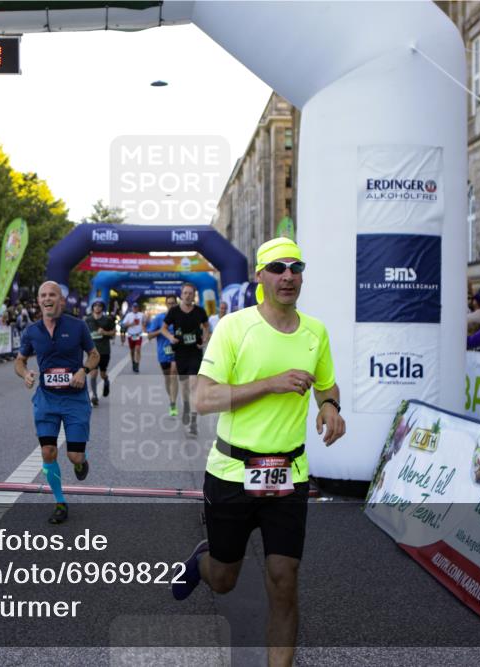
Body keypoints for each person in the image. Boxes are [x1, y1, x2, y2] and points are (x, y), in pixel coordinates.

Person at [171, 237, 345, 667]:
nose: (288, 276)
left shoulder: (315, 332)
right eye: (278, 268)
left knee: (285, 579)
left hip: (290, 474)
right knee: (224, 579)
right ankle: (204, 561)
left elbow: (326, 385)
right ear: (260, 276)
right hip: (232, 472)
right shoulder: (235, 327)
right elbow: (203, 399)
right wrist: (270, 384)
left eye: (296, 268)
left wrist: (330, 407)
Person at [14, 281, 99, 524]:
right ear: (38, 301)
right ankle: (60, 502)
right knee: (48, 451)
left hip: (74, 399)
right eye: (43, 295)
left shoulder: (78, 326)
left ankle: (81, 462)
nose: (47, 298)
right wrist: (25, 374)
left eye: (52, 295)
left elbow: (94, 355)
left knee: (74, 456)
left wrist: (83, 370)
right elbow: (19, 361)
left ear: (61, 300)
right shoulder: (32, 331)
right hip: (47, 399)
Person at [164, 283, 211, 436]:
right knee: (184, 387)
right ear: (181, 295)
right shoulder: (174, 311)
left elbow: (206, 326)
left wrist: (204, 339)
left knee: (193, 385)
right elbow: (163, 328)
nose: (187, 295)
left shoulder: (200, 311)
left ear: (194, 295)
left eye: (190, 293)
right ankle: (185, 406)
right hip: (181, 353)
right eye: (185, 293)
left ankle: (193, 422)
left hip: (195, 352)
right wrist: (170, 337)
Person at [147, 295, 179, 416]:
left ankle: (173, 403)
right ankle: (171, 398)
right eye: (169, 303)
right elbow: (149, 336)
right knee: (167, 378)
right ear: (166, 304)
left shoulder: (180, 317)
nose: (171, 305)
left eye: (173, 303)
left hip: (177, 352)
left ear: (176, 304)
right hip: (163, 353)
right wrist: (160, 331)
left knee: (173, 374)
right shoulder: (159, 318)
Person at [84, 300, 116, 406]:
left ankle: (106, 380)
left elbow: (113, 333)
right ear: (92, 307)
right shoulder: (88, 319)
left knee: (102, 374)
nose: (97, 307)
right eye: (95, 306)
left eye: (99, 306)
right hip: (92, 351)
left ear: (102, 308)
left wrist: (105, 332)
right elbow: (83, 333)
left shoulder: (107, 319)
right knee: (93, 373)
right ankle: (94, 395)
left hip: (104, 351)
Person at [121, 302, 146, 372]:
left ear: (138, 308)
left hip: (138, 335)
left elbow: (144, 322)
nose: (135, 308)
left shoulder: (141, 315)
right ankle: (133, 362)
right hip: (131, 335)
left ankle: (137, 365)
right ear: (132, 308)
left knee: (138, 349)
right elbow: (123, 324)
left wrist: (144, 325)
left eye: (136, 307)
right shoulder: (129, 315)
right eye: (134, 307)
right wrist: (131, 324)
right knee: (132, 351)